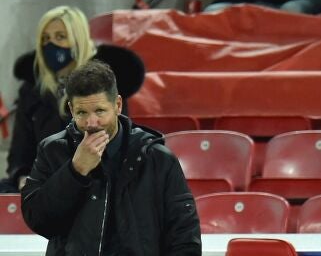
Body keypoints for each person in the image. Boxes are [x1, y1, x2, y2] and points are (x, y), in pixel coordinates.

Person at [21, 60, 201, 255]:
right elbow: (39, 220)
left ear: (117, 105)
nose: (91, 123)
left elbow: (184, 237)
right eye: (82, 112)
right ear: (72, 110)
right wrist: (76, 171)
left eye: (99, 111)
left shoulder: (156, 158)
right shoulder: (53, 151)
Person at [0, 6, 145, 193]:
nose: (50, 45)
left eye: (60, 37)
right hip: (42, 182)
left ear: (78, 40)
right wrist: (22, 176)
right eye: (45, 39)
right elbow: (20, 151)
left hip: (94, 182)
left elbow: (114, 147)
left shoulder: (103, 84)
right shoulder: (32, 90)